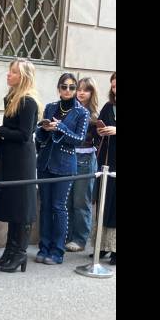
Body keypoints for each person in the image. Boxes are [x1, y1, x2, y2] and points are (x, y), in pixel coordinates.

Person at [0, 57, 42, 273]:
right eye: (10, 71)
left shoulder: (28, 101)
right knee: (12, 205)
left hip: (21, 161)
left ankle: (20, 253)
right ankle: (10, 250)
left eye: (14, 72)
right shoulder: (12, 98)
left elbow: (25, 135)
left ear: (23, 77)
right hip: (10, 158)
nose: (9, 75)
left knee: (21, 206)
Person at [35, 73, 89, 265]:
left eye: (71, 87)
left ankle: (57, 251)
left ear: (75, 90)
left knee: (59, 207)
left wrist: (60, 128)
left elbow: (79, 139)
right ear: (58, 88)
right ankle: (44, 247)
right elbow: (40, 138)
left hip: (65, 164)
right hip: (45, 163)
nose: (67, 90)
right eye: (64, 87)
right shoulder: (50, 108)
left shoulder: (81, 112)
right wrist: (43, 129)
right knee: (45, 207)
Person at [65, 77, 100, 252]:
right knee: (68, 200)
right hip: (68, 157)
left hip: (86, 159)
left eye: (85, 90)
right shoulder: (70, 110)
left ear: (91, 93)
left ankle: (79, 239)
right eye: (79, 89)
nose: (81, 92)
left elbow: (100, 142)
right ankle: (68, 236)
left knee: (81, 201)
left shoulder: (94, 116)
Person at [92, 72, 116, 265]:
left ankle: (115, 248)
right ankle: (102, 245)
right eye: (114, 86)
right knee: (104, 200)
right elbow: (98, 129)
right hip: (108, 160)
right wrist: (101, 129)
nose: (115, 89)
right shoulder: (109, 106)